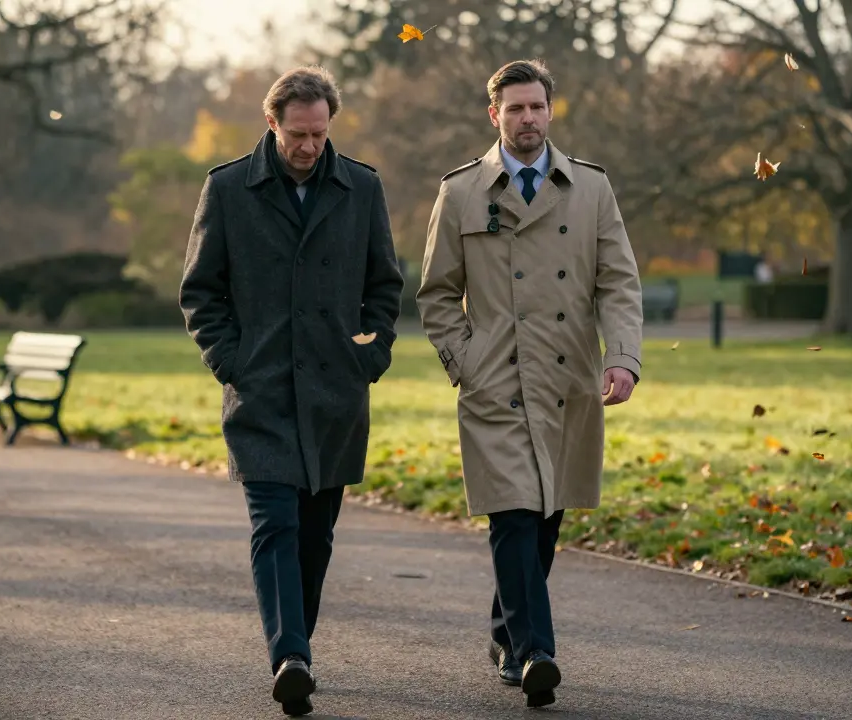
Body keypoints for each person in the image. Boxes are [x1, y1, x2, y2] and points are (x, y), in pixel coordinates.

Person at [415, 58, 643, 709]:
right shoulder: (461, 192)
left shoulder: (592, 189)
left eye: (537, 107)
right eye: (514, 109)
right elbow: (435, 294)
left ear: (551, 110)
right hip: (495, 381)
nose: (527, 118)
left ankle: (503, 631)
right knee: (513, 513)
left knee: (545, 518)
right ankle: (536, 651)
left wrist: (622, 357)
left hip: (570, 379)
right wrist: (466, 362)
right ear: (494, 115)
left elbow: (619, 282)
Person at [179, 65, 404, 717]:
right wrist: (231, 361)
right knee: (274, 524)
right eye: (298, 134)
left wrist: (372, 353)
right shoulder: (227, 189)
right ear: (271, 122)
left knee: (315, 533)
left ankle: (296, 641)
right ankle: (291, 656)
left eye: (320, 133)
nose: (310, 147)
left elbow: (383, 284)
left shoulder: (360, 186)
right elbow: (200, 290)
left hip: (337, 390)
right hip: (262, 391)